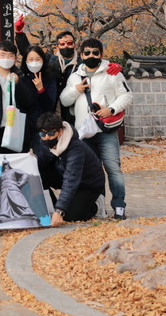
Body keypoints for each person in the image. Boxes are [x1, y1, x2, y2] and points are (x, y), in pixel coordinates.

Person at [60, 37, 132, 219]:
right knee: (92, 171)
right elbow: (64, 100)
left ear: (101, 54)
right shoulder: (75, 75)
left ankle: (119, 207)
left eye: (95, 52)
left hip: (105, 130)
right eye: (87, 53)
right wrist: (76, 89)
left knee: (113, 168)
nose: (91, 56)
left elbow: (126, 95)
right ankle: (99, 207)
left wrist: (112, 109)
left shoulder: (112, 72)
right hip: (83, 132)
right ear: (81, 54)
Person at [33, 112, 106, 225]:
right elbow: (42, 162)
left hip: (87, 184)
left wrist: (60, 211)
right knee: (37, 173)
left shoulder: (75, 148)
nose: (47, 138)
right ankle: (51, 207)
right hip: (63, 173)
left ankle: (95, 205)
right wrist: (31, 161)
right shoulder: (45, 142)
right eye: (43, 134)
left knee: (70, 217)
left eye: (51, 133)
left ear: (60, 131)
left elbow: (71, 179)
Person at [19, 44, 60, 150]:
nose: (34, 62)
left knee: (42, 161)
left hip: (43, 129)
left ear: (43, 61)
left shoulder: (50, 78)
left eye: (37, 59)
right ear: (26, 61)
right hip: (23, 128)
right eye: (31, 59)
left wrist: (41, 89)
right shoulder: (21, 79)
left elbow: (49, 106)